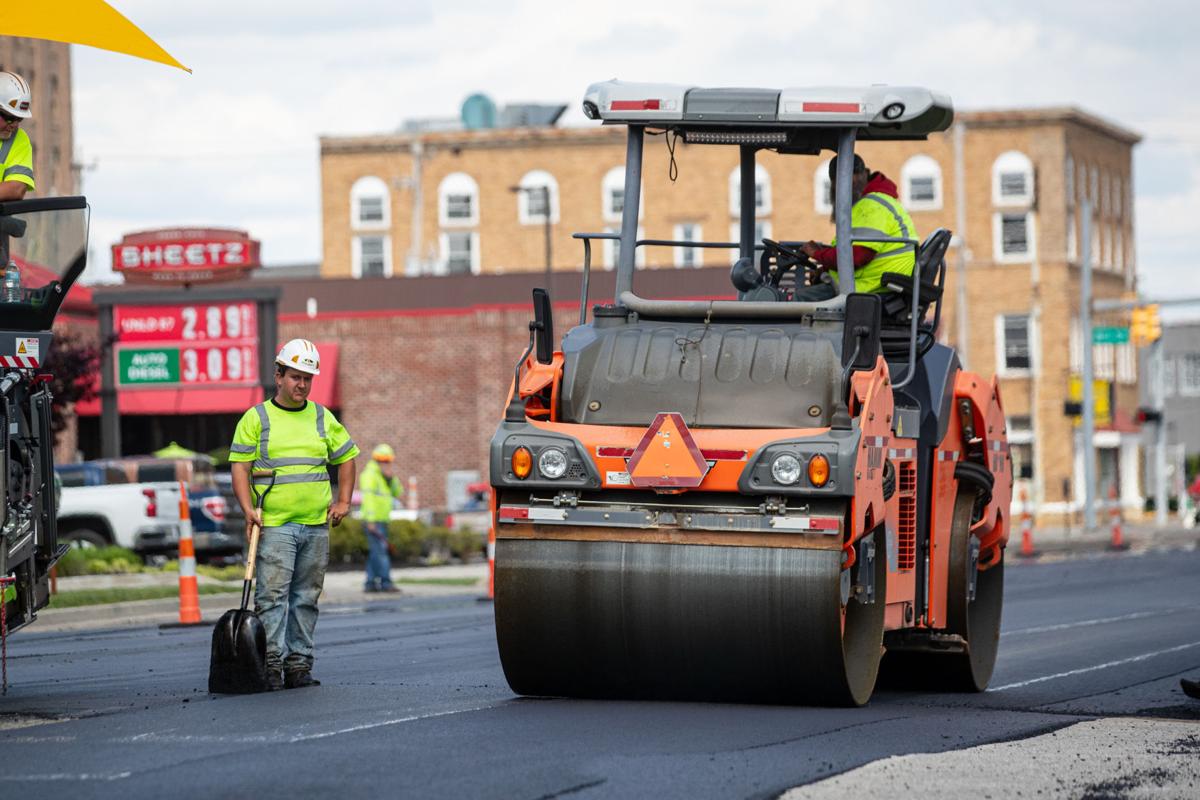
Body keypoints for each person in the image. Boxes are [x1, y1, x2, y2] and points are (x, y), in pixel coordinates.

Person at [229, 338, 359, 691]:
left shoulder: (321, 417)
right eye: (295, 377)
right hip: (274, 524)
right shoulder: (256, 419)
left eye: (308, 379)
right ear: (279, 375)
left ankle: (298, 666)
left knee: (305, 598)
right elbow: (240, 468)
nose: (301, 385)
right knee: (272, 598)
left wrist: (343, 500)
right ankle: (269, 666)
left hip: (316, 524)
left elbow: (347, 457)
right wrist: (247, 510)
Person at [794, 154, 917, 301]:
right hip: (874, 283)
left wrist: (816, 254)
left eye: (844, 179)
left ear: (862, 175)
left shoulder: (872, 206)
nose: (843, 186)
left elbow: (856, 257)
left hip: (871, 289)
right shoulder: (874, 202)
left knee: (796, 299)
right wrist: (825, 270)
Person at [360, 443, 404, 593]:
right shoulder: (369, 475)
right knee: (381, 552)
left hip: (382, 519)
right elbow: (369, 499)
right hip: (373, 521)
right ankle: (386, 582)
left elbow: (398, 492)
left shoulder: (385, 477)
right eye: (382, 460)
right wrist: (371, 520)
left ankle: (370, 583)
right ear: (376, 460)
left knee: (375, 552)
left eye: (387, 461)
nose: (384, 464)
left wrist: (391, 479)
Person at [0, 72, 34, 201]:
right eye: (9, 118)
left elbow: (17, 188)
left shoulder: (19, 139)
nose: (14, 125)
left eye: (19, 119)